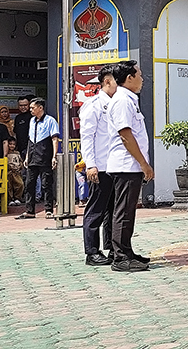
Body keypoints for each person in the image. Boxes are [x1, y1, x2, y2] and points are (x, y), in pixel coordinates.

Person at [106, 60, 154, 271]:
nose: (142, 79)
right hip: (126, 165)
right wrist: (144, 164)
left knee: (128, 211)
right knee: (123, 211)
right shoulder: (122, 101)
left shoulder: (129, 100)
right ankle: (120, 257)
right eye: (140, 75)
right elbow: (126, 135)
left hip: (130, 165)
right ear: (129, 78)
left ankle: (127, 251)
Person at [80, 65, 117, 266]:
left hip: (115, 166)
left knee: (113, 210)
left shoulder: (117, 103)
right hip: (99, 166)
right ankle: (91, 252)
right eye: (116, 80)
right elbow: (86, 137)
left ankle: (112, 248)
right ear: (106, 82)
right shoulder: (93, 105)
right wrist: (90, 165)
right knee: (96, 209)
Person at [15, 98, 59, 219]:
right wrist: (27, 157)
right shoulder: (32, 121)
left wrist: (54, 157)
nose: (30, 110)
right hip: (33, 156)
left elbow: (54, 139)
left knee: (46, 184)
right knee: (29, 184)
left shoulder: (50, 121)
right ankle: (30, 210)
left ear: (40, 108)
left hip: (45, 156)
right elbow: (30, 140)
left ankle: (48, 210)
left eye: (32, 107)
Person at [6, 138, 23, 206]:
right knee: (9, 185)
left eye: (13, 144)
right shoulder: (6, 153)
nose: (12, 146)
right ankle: (10, 199)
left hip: (17, 172)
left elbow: (20, 161)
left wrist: (20, 167)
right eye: (10, 144)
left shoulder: (17, 153)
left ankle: (17, 198)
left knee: (20, 184)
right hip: (9, 172)